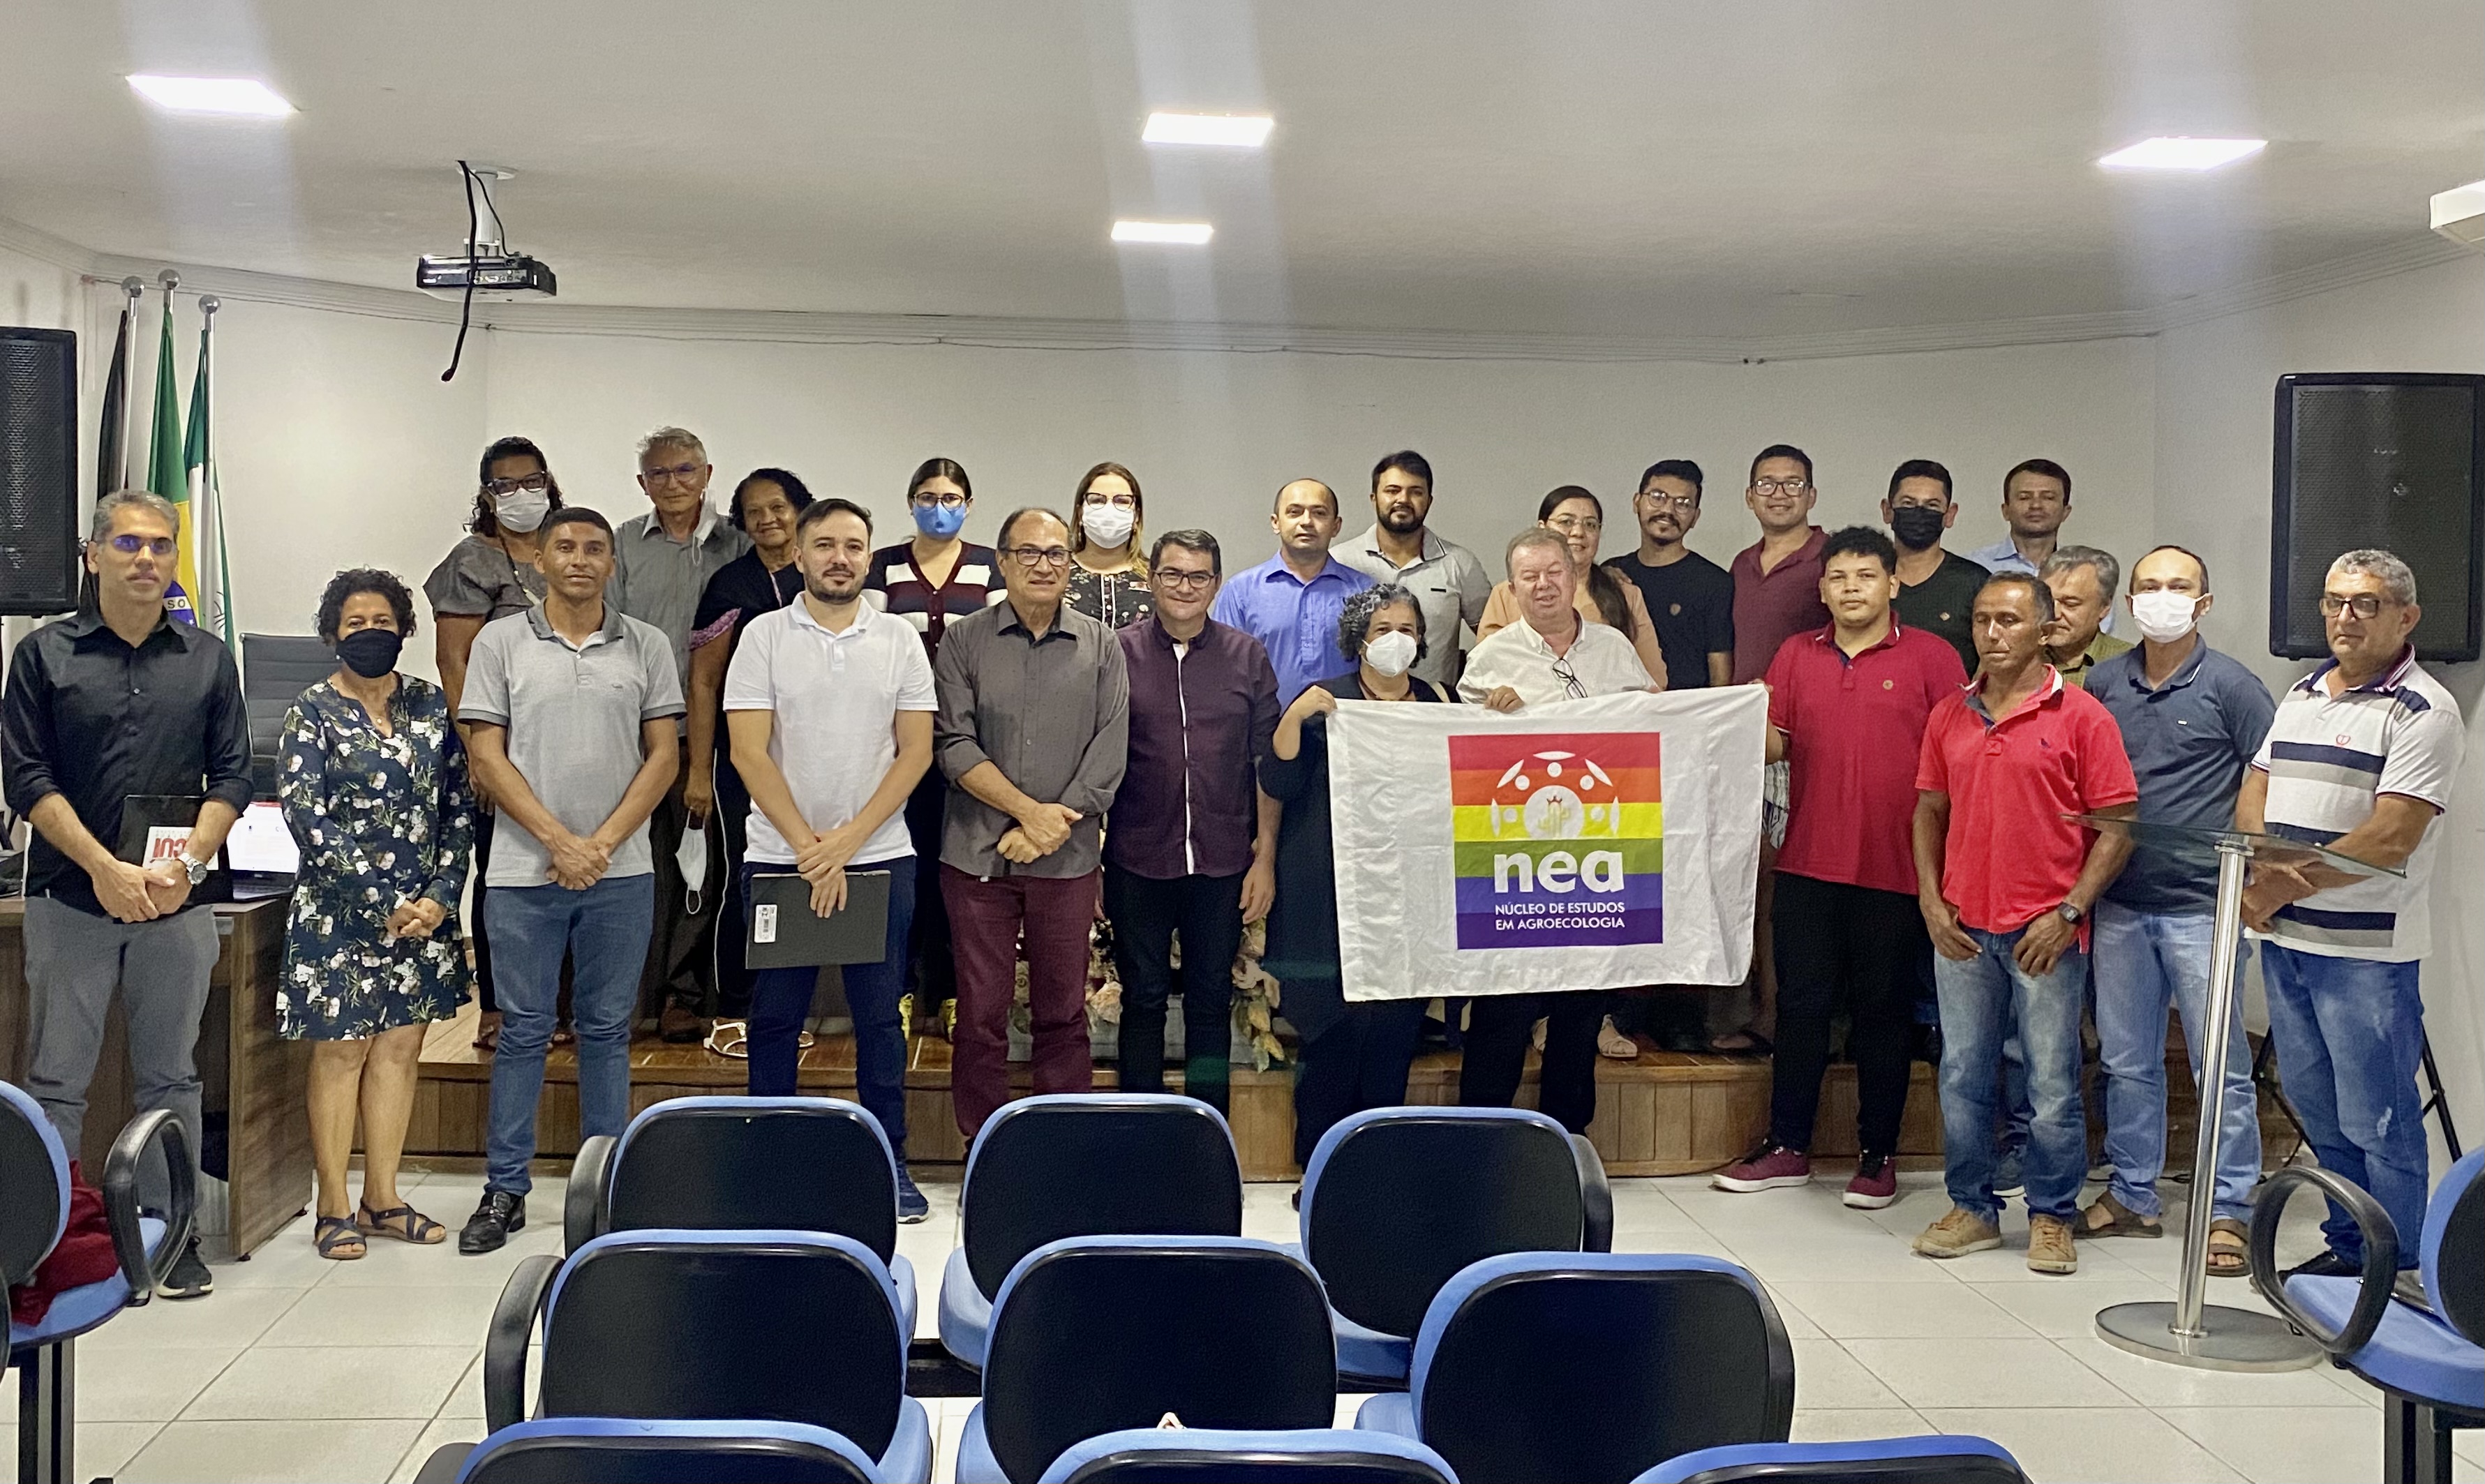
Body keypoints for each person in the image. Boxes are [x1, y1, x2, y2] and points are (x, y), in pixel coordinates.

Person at [1, 489, 248, 1300]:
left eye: (160, 545)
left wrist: (189, 865)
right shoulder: (43, 655)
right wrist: (105, 867)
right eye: (129, 544)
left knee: (172, 1077)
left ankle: (171, 1237)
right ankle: (47, 1239)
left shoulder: (208, 659)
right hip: (70, 897)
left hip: (176, 904)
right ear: (94, 555)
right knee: (57, 1080)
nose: (146, 558)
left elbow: (232, 777)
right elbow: (26, 777)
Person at [1713, 527, 1966, 1211]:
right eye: (1838, 578)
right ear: (1822, 590)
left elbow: (1960, 754)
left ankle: (1877, 1157)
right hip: (1808, 863)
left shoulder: (1933, 657)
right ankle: (1786, 1146)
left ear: (1893, 583)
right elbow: (1773, 745)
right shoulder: (1796, 654)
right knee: (1800, 1009)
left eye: (1865, 576)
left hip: (1898, 868)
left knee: (1883, 1015)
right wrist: (1726, 717)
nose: (1851, 588)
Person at [456, 507, 684, 1253]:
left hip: (621, 871)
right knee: (522, 1030)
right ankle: (505, 1189)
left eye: (594, 548)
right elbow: (486, 756)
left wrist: (600, 845)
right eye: (565, 547)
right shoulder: (500, 642)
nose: (579, 559)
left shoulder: (646, 645)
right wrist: (559, 842)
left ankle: (604, 1187)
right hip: (523, 873)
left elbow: (664, 757)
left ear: (612, 564)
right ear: (540, 561)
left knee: (607, 1030)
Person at [2236, 548, 2463, 1284]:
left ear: (2407, 616)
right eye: (2334, 602)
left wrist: (2279, 887)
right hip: (2290, 943)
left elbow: (2389, 837)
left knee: (2379, 1120)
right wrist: (2257, 868)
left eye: (2365, 603)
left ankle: (2394, 1270)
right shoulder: (2302, 691)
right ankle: (2349, 1246)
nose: (2345, 617)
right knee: (2319, 1110)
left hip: (2366, 957)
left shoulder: (2424, 710)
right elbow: (2256, 786)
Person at [1911, 572, 2137, 1275]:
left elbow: (2118, 825)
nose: (1992, 633)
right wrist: (1930, 901)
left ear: (2045, 630)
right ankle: (1972, 1208)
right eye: (1982, 619)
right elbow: (1928, 811)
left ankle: (2051, 1215)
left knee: (2050, 1083)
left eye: (2008, 620)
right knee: (1962, 1076)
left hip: (2046, 934)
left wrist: (2069, 912)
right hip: (1962, 930)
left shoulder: (2082, 716)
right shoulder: (1950, 714)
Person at [724, 497, 935, 1220]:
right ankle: (769, 1163)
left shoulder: (899, 638)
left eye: (853, 545)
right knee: (776, 1018)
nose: (839, 558)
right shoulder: (763, 636)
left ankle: (888, 1162)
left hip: (880, 856)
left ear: (869, 556)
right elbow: (748, 752)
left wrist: (846, 843)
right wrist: (809, 848)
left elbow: (915, 752)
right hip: (780, 856)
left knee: (880, 1020)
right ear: (800, 554)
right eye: (824, 545)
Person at [2080, 546, 2274, 1276]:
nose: (2163, 596)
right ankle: (2133, 1193)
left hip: (2204, 907)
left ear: (2204, 602)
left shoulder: (2233, 686)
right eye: (2150, 586)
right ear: (2130, 602)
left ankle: (2229, 1208)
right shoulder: (2104, 683)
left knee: (2217, 1065)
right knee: (2127, 1061)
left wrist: (2254, 881)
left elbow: (2268, 777)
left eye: (2179, 586)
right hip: (2122, 903)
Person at [276, 569, 475, 1259]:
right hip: (340, 914)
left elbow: (459, 807)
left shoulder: (429, 704)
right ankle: (333, 1205)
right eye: (356, 623)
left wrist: (440, 895)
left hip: (423, 915)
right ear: (333, 633)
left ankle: (383, 1198)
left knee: (398, 1048)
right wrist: (380, 900)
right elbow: (308, 816)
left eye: (383, 622)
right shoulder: (311, 711)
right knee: (342, 1051)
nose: (370, 633)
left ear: (404, 629)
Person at [934, 508, 1130, 1137]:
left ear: (1069, 564)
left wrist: (1051, 827)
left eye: (1055, 553)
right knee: (980, 1014)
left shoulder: (1101, 644)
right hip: (977, 856)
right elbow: (952, 743)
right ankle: (983, 1143)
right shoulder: (964, 640)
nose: (1043, 565)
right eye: (1028, 552)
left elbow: (1110, 747)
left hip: (1067, 860)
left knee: (1063, 1011)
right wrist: (1029, 814)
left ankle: (1058, 1142)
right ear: (1002, 561)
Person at [1456, 529, 1656, 1132]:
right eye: (1528, 576)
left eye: (1553, 573)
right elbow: (1459, 757)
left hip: (1593, 858)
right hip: (1515, 862)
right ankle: (1480, 1136)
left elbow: (1649, 728)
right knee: (1504, 1006)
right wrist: (1489, 717)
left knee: (1581, 1006)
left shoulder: (1613, 648)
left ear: (1574, 576)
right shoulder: (1491, 658)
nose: (1542, 585)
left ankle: (1568, 1138)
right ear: (1511, 587)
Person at [1263, 584, 1445, 1165]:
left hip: (1407, 896)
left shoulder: (1439, 702)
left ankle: (1377, 1168)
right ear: (1358, 640)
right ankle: (1320, 1168)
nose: (1396, 639)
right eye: (1382, 629)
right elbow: (1278, 780)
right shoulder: (1325, 700)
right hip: (1329, 894)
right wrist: (1295, 717)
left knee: (1393, 1033)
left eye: (1407, 630)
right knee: (1332, 1034)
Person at [1106, 530, 1280, 1117]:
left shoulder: (1246, 656)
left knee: (1209, 1001)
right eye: (1173, 574)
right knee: (1143, 998)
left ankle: (1207, 1133)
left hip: (1222, 859)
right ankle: (1140, 1129)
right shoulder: (1116, 653)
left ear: (1216, 584)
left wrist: (1264, 858)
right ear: (1151, 578)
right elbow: (1094, 756)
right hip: (1135, 857)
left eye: (1198, 576)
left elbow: (1266, 764)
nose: (1185, 587)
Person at [611, 426, 752, 1042]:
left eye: (685, 470)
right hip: (635, 733)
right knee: (636, 868)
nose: (673, 483)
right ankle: (626, 997)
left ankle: (683, 994)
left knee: (701, 870)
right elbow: (608, 631)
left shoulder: (739, 546)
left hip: (714, 737)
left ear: (708, 474)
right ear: (643, 482)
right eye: (660, 473)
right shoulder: (620, 545)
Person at [424, 435, 562, 1052]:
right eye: (505, 485)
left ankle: (562, 1004)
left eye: (531, 481)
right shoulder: (471, 561)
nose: (520, 493)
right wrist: (478, 750)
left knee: (570, 873)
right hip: (497, 745)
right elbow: (453, 661)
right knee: (504, 874)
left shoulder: (568, 546)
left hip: (569, 743)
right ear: (487, 495)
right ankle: (501, 1006)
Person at [868, 458, 1007, 1037]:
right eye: (927, 496)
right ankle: (898, 991)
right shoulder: (882, 564)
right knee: (906, 870)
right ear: (910, 502)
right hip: (896, 744)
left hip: (968, 741)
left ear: (969, 505)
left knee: (960, 873)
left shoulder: (990, 565)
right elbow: (872, 645)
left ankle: (951, 993)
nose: (939, 507)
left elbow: (999, 647)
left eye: (951, 497)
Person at [684, 469, 815, 1033]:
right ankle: (735, 1007)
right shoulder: (731, 584)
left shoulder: (825, 574)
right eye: (754, 511)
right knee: (747, 874)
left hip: (812, 757)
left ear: (801, 510)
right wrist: (698, 770)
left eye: (778, 507)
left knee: (807, 873)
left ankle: (790, 1008)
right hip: (742, 757)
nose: (767, 519)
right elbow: (703, 681)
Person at [1722, 444, 1830, 1055]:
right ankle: (1761, 1011)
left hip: (1802, 743)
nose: (1780, 493)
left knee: (1793, 885)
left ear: (1811, 495)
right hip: (1746, 744)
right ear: (1749, 496)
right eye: (1767, 483)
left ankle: (1794, 1018)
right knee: (1753, 880)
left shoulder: (1829, 560)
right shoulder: (1740, 565)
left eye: (1793, 483)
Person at [1476, 486, 1669, 688]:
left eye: (1590, 525)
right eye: (1566, 522)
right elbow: (1487, 674)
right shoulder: (1506, 595)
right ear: (1542, 527)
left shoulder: (1626, 594)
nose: (1578, 532)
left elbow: (1654, 680)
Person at [1335, 449, 1491, 690]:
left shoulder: (1460, 564)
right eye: (1392, 490)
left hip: (1434, 705)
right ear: (1374, 498)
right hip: (1357, 706)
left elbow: (1494, 639)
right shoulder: (1341, 561)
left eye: (1415, 492)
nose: (1403, 500)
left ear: (1429, 501)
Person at [1211, 479, 1374, 704]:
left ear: (1336, 526)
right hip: (1264, 725)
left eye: (1319, 513)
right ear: (1276, 522)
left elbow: (1379, 673)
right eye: (1295, 512)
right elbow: (1222, 673)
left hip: (1344, 724)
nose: (1306, 522)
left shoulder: (1364, 591)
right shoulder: (1240, 592)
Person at [1605, 459, 1735, 691]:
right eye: (1658, 497)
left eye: (1683, 504)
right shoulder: (1612, 575)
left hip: (1688, 710)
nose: (1667, 510)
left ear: (1695, 517)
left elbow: (1721, 676)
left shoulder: (1715, 583)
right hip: (1621, 707)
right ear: (1637, 502)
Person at [1883, 458, 1987, 675]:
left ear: (1950, 515)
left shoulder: (1975, 583)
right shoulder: (1867, 579)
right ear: (1887, 510)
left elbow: (1991, 660)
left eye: (1932, 505)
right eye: (1908, 503)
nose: (1919, 512)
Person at [1065, 461, 1156, 629]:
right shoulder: (1056, 573)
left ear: (1136, 516)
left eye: (1122, 501)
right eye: (1097, 500)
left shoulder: (1157, 579)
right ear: (1080, 513)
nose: (1109, 510)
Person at [2038, 545, 2132, 687]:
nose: (2054, 614)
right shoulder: (2020, 656)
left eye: (2070, 604)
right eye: (2046, 601)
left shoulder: (2129, 663)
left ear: (2104, 606)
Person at [1969, 458, 2076, 577]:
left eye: (2048, 498)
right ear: (2005, 511)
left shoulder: (2081, 569)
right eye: (2024, 498)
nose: (2036, 505)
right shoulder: (1973, 567)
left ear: (2066, 512)